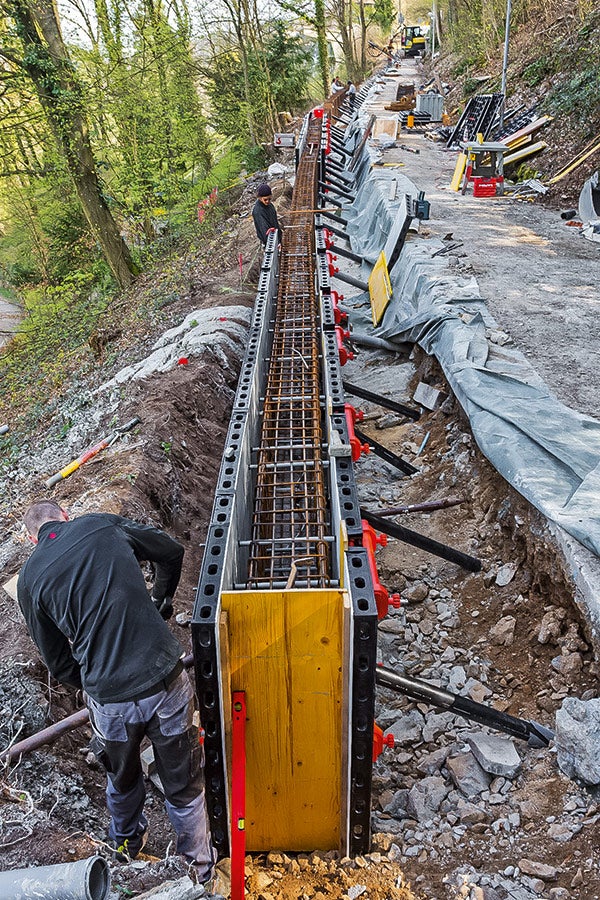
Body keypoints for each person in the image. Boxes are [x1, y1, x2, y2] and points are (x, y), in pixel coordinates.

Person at [17, 501, 216, 884]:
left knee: (122, 779)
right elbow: (171, 551)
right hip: (166, 679)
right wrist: (162, 599)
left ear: (31, 538)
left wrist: (97, 681)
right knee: (184, 781)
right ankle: (200, 870)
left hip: (111, 704)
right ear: (65, 516)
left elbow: (57, 663)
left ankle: (125, 851)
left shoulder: (29, 579)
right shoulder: (101, 525)